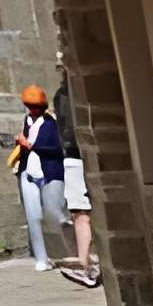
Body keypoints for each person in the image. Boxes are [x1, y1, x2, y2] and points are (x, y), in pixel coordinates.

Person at [9, 84, 68, 270]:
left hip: (50, 173)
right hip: (28, 173)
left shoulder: (51, 124)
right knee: (34, 216)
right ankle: (41, 258)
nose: (32, 110)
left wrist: (31, 145)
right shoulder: (25, 122)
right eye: (29, 106)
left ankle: (68, 253)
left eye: (35, 106)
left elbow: (58, 149)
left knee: (55, 215)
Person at [54, 79, 99, 287]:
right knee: (85, 210)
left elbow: (68, 130)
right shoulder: (71, 91)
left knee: (80, 211)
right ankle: (90, 260)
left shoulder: (66, 93)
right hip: (79, 153)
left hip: (74, 155)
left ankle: (84, 263)